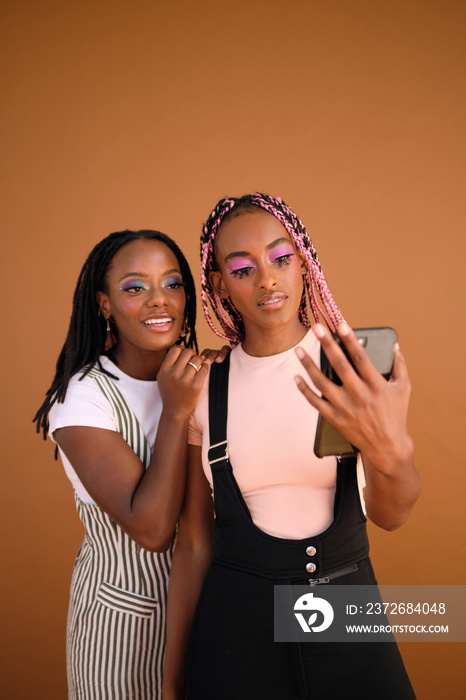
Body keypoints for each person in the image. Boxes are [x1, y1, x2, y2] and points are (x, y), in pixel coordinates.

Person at [162, 194, 421, 700]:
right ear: (219, 286)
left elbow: (393, 515)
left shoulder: (352, 370)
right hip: (235, 630)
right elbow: (194, 542)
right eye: (242, 268)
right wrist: (172, 679)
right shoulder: (205, 389)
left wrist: (392, 452)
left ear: (303, 262)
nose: (267, 279)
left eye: (281, 259)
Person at [34, 229, 222, 700]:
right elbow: (153, 529)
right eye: (135, 288)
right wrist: (177, 410)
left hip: (209, 615)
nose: (159, 301)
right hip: (123, 629)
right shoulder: (83, 398)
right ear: (103, 304)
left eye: (172, 283)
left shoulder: (200, 375)